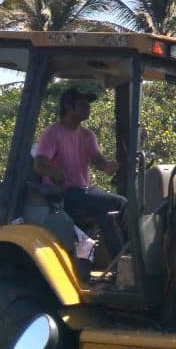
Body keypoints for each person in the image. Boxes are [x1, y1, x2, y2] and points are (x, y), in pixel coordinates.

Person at [33, 87, 127, 260]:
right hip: (62, 194)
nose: (88, 108)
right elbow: (39, 163)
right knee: (119, 203)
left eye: (88, 105)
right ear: (69, 106)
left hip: (83, 190)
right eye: (82, 104)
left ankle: (121, 260)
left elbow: (97, 159)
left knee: (110, 211)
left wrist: (107, 166)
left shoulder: (87, 135)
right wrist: (53, 172)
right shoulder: (53, 133)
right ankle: (123, 258)